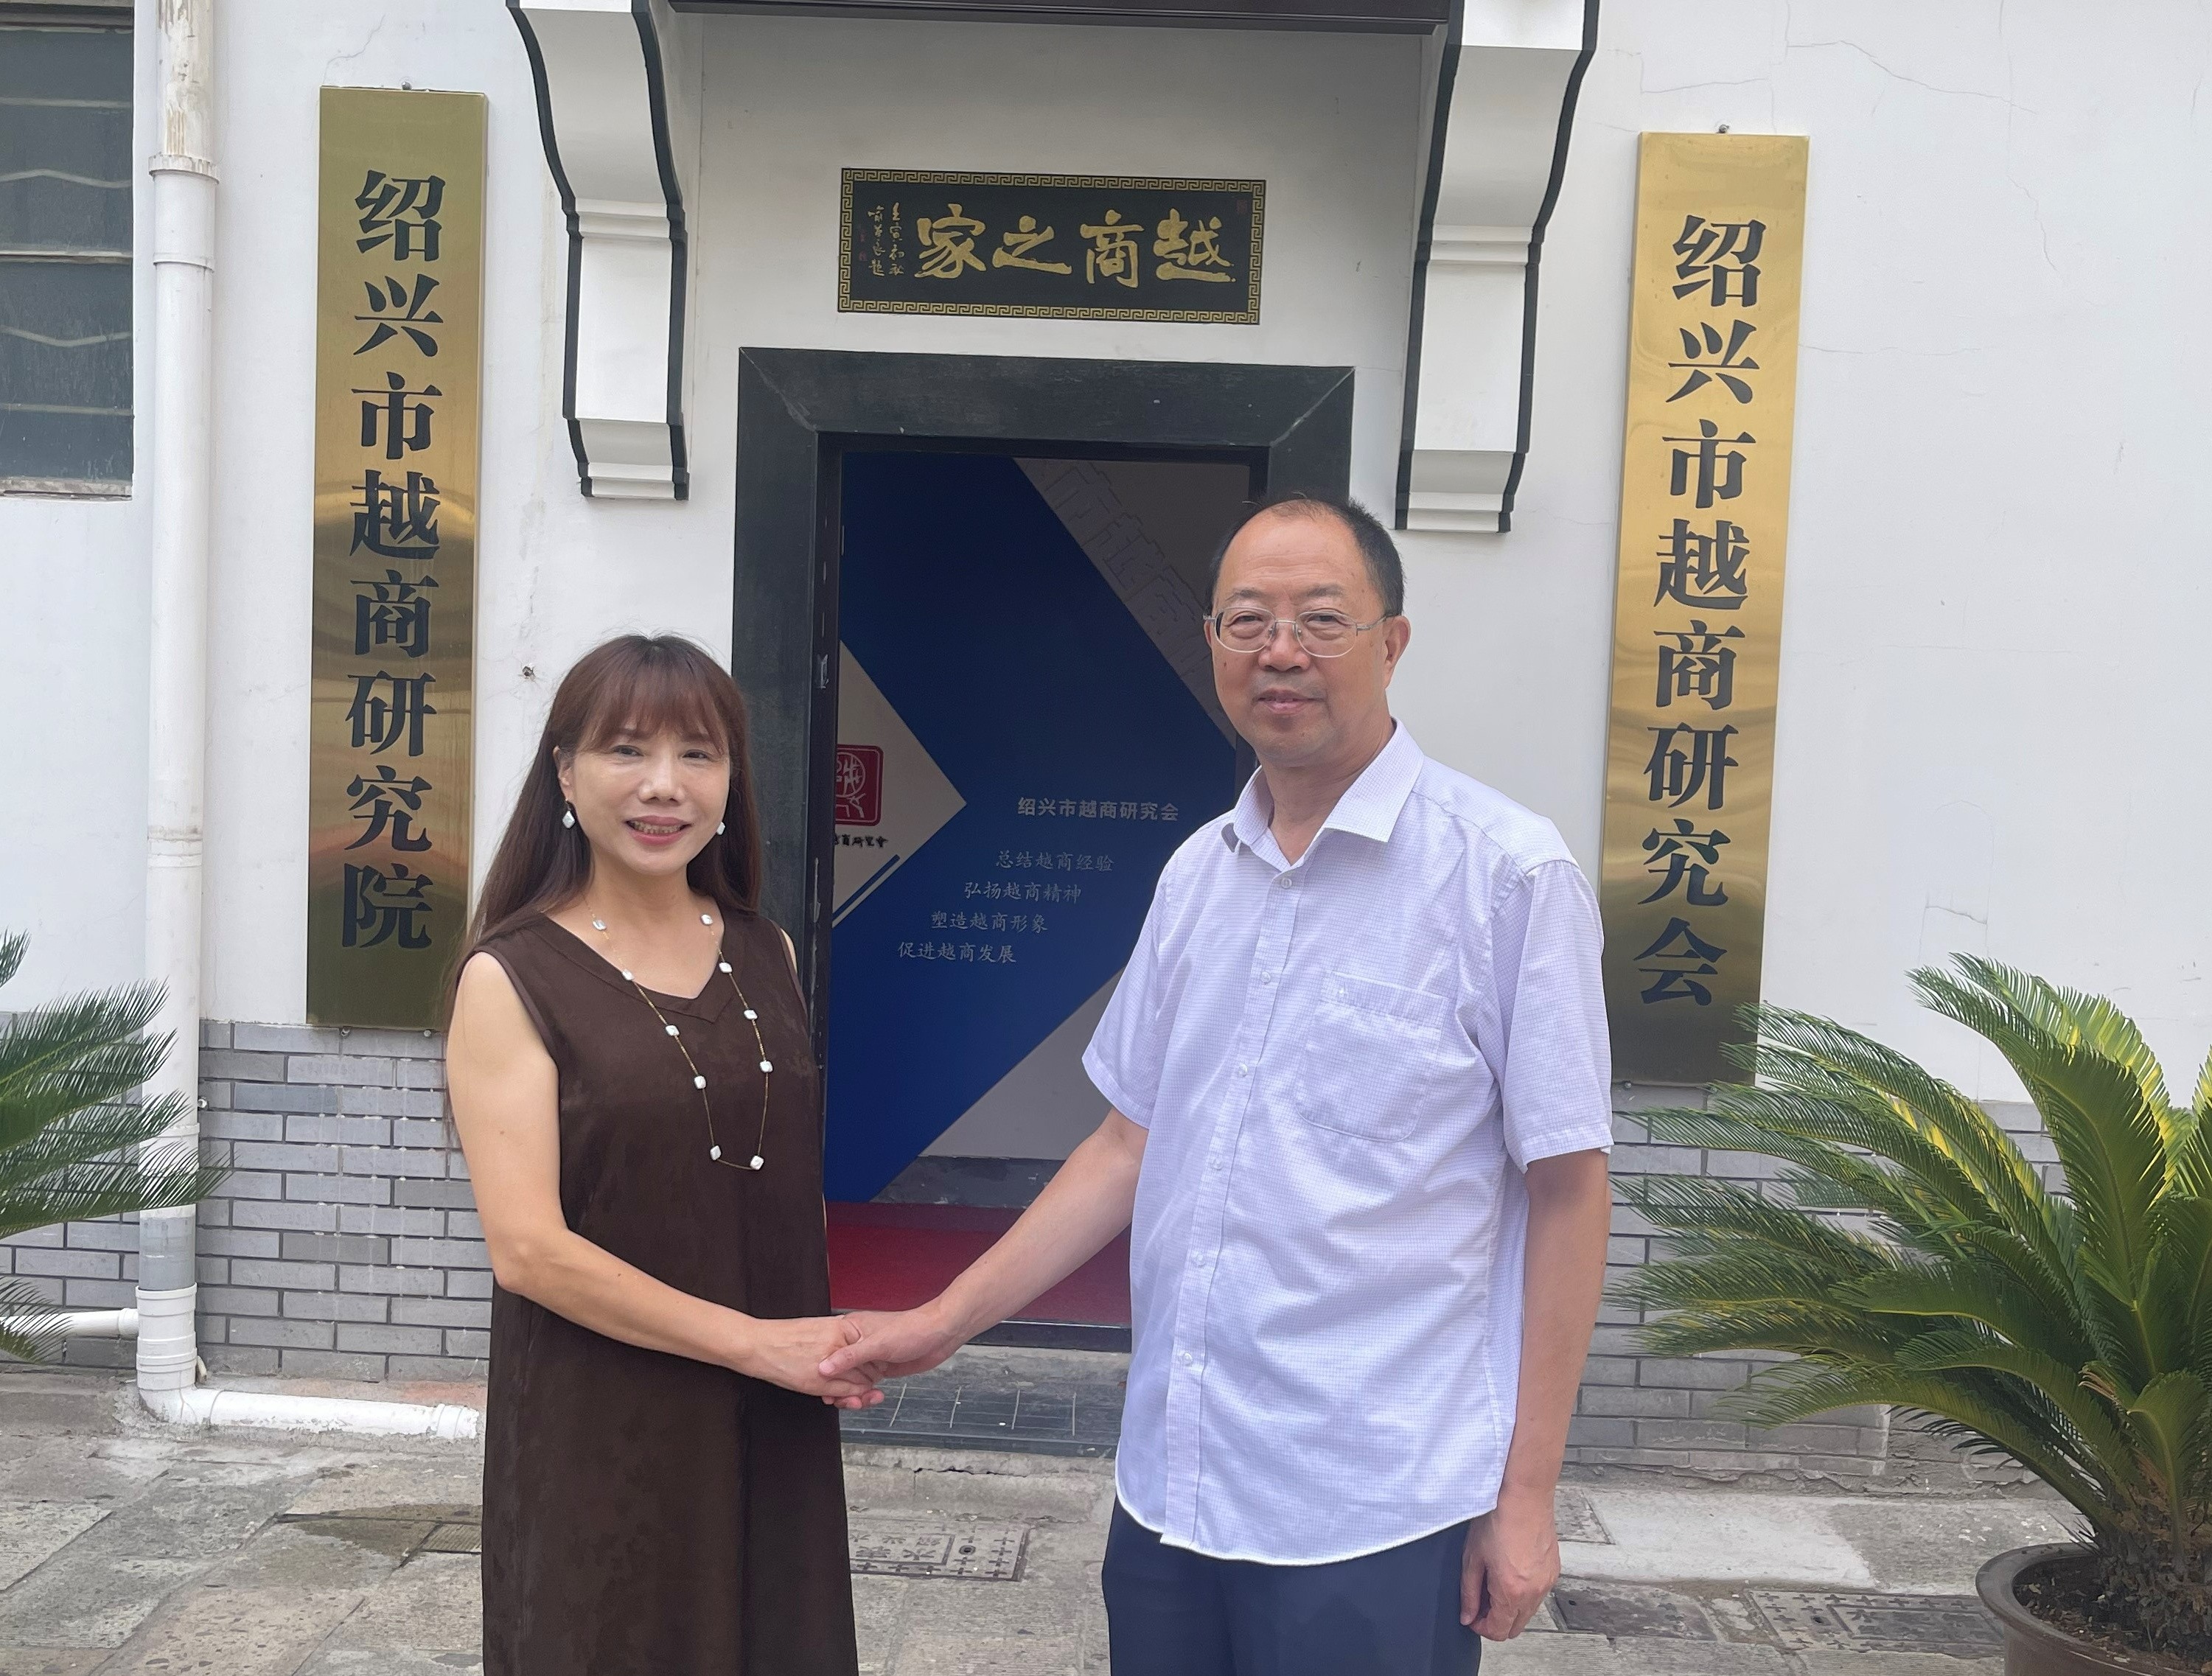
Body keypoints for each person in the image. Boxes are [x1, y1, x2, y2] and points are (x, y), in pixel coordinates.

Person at [823, 493, 1616, 1676]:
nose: (1279, 650)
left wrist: (1528, 1492)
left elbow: (1567, 1188)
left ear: (1391, 642)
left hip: (1372, 1500)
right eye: (1247, 620)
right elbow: (1124, 1144)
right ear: (1210, 643)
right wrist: (941, 1323)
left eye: (1320, 619)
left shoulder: (1505, 876)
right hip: (1173, 1481)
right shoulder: (1198, 874)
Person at [446, 634, 880, 1676]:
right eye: (626, 750)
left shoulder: (766, 950)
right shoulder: (511, 976)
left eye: (697, 753)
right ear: (565, 773)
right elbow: (529, 1251)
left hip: (771, 1415)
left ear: (731, 778)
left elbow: (783, 1185)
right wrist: (751, 1342)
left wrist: (806, 1344)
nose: (663, 786)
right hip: (605, 1421)